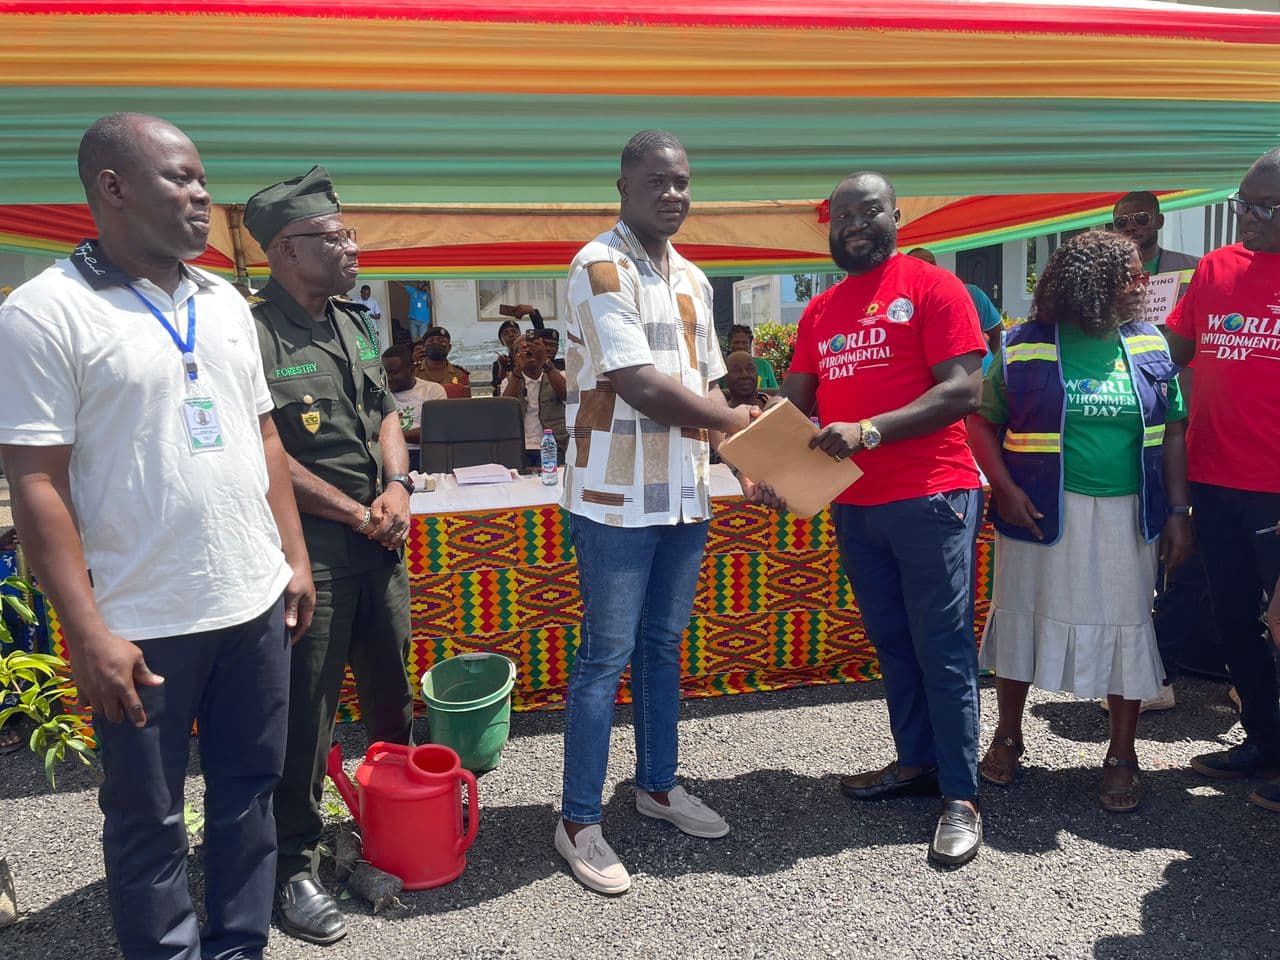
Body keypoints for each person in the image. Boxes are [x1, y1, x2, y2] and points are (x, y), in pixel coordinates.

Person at [0, 112, 314, 960]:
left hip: (251, 600)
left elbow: (265, 439)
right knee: (149, 816)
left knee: (250, 793)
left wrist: (293, 557)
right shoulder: (44, 313)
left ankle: (241, 943)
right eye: (180, 177)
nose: (203, 194)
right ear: (113, 187)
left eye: (201, 178)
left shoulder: (222, 303)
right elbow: (35, 482)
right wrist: (87, 629)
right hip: (142, 620)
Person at [745, 172, 987, 866]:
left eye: (867, 211)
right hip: (856, 505)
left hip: (932, 497)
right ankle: (916, 765)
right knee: (893, 640)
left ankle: (962, 798)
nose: (854, 223)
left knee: (942, 647)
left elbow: (965, 390)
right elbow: (794, 409)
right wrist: (768, 469)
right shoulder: (820, 313)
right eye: (842, 215)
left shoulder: (934, 288)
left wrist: (870, 430)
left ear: (896, 217)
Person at [557, 129, 756, 896]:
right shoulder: (596, 265)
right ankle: (577, 819)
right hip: (613, 499)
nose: (672, 194)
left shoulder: (695, 280)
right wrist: (739, 427)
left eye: (682, 182)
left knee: (664, 646)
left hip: (682, 495)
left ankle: (657, 784)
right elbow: (637, 383)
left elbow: (707, 394)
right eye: (657, 182)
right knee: (605, 657)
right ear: (623, 187)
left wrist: (743, 458)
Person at [244, 165, 416, 944]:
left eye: (349, 232)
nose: (353, 246)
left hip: (379, 545)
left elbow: (383, 407)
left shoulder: (352, 319)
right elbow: (265, 454)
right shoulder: (250, 333)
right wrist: (356, 511)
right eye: (336, 236)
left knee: (393, 697)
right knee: (304, 718)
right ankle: (295, 868)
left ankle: (387, 828)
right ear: (287, 247)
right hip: (308, 554)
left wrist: (399, 485)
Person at [967, 231, 1190, 812]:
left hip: (1126, 516)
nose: (1142, 285)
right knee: (1021, 620)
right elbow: (981, 422)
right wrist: (1006, 488)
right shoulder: (1024, 344)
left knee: (1125, 629)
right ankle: (1009, 736)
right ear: (1093, 285)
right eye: (1130, 276)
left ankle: (1121, 755)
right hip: (1040, 513)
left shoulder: (1148, 345)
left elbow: (1172, 432)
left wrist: (1178, 512)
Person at [1163, 148, 1280, 813]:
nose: (1250, 218)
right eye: (1244, 203)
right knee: (1233, 619)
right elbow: (1171, 351)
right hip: (1213, 478)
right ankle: (1264, 741)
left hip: (1276, 486)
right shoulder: (1215, 268)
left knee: (1279, 622)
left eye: (1266, 207)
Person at [906, 248, 1004, 369]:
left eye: (928, 264)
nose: (923, 271)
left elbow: (999, 333)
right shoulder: (909, 305)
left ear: (935, 265)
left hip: (982, 379)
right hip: (947, 380)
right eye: (915, 268)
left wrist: (992, 367)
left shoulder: (972, 293)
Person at [502, 330, 568, 468]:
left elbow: (567, 396)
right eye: (525, 351)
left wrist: (545, 361)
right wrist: (518, 369)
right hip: (518, 447)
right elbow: (504, 412)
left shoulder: (558, 376)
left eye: (534, 350)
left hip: (553, 445)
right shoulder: (509, 381)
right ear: (515, 356)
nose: (530, 356)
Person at [383, 343, 446, 473]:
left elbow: (434, 431)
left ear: (411, 370)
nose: (388, 379)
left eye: (393, 373)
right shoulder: (379, 393)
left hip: (423, 452)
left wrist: (390, 434)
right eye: (383, 373)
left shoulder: (432, 390)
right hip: (389, 454)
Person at [1111, 192, 1200, 276]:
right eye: (1121, 222)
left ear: (1159, 221)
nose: (1130, 227)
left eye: (1141, 218)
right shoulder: (1104, 271)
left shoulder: (1194, 267)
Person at [414, 325, 472, 398]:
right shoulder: (413, 373)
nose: (435, 343)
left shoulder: (460, 375)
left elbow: (466, 405)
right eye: (431, 341)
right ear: (424, 346)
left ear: (449, 347)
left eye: (441, 341)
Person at [726, 323, 780, 393]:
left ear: (750, 345)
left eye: (745, 342)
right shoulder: (722, 368)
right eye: (736, 342)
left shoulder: (763, 365)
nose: (740, 346)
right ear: (729, 344)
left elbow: (775, 393)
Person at [490, 317, 521, 394]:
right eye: (506, 333)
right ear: (502, 342)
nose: (511, 335)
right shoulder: (499, 364)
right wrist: (502, 372)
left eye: (514, 332)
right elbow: (497, 394)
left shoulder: (532, 359)